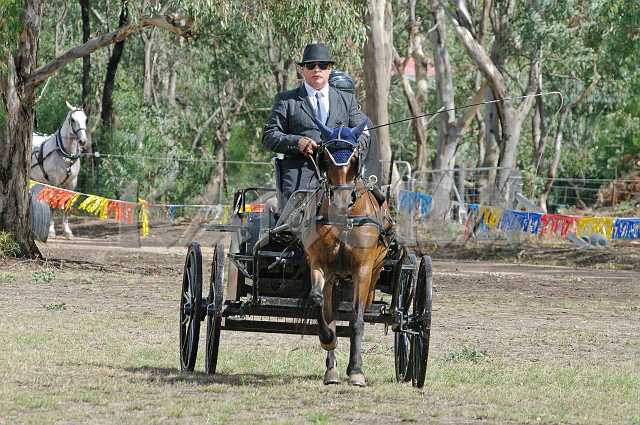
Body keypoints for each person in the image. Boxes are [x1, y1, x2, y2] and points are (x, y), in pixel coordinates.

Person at [262, 43, 370, 209]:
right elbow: (269, 136)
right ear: (302, 70)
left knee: (374, 205)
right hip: (301, 173)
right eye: (311, 65)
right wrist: (297, 142)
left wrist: (350, 147)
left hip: (342, 172)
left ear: (329, 69)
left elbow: (364, 135)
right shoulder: (286, 101)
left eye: (323, 65)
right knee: (294, 215)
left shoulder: (346, 99)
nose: (317, 69)